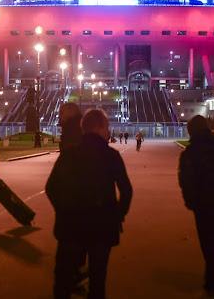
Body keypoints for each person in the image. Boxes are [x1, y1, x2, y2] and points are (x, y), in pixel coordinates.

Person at [46, 108, 133, 299]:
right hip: (101, 227)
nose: (109, 131)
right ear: (99, 128)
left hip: (70, 226)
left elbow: (51, 188)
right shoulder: (111, 156)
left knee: (63, 279)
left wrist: (62, 211)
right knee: (97, 280)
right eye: (107, 127)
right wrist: (117, 215)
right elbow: (126, 191)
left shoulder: (68, 155)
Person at [178, 115, 214, 299]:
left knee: (209, 248)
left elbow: (186, 180)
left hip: (204, 207)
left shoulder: (191, 152)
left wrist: (190, 202)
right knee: (213, 244)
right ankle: (210, 281)